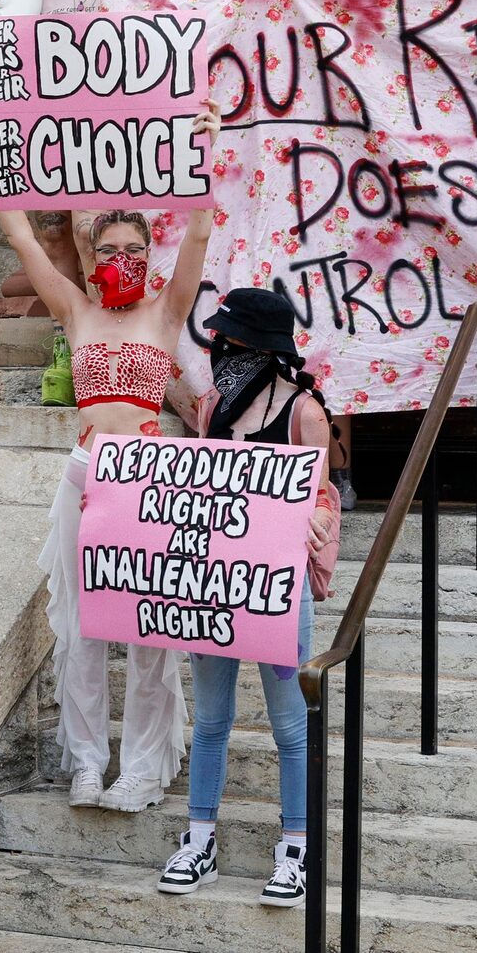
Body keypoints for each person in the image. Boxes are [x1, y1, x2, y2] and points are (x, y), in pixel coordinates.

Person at [0, 97, 220, 810]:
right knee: (79, 627)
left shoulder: (165, 311)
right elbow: (18, 235)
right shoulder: (75, 309)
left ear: (148, 255)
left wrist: (205, 149)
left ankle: (140, 768)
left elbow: (199, 231)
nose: (121, 261)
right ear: (92, 255)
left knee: (147, 626)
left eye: (134, 251)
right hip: (85, 471)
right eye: (108, 251)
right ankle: (86, 761)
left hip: (148, 469)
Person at [155, 288, 339, 907]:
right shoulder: (216, 409)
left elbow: (317, 496)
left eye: (229, 339)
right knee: (210, 721)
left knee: (291, 726)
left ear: (258, 347)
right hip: (213, 587)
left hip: (276, 591)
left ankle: (296, 850)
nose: (220, 347)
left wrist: (313, 522)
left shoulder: (305, 414)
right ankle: (199, 837)